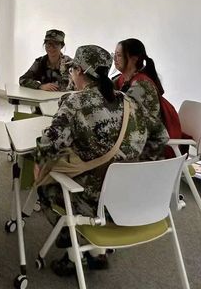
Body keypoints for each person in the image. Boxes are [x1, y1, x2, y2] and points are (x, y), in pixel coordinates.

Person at [34, 45, 168, 276]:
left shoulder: (75, 103)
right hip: (131, 197)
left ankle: (73, 253)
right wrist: (138, 166)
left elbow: (49, 145)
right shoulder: (129, 102)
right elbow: (161, 136)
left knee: (46, 188)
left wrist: (38, 164)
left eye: (72, 70)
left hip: (97, 201)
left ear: (78, 71)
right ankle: (96, 252)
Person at [113, 38, 183, 156]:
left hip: (149, 147)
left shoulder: (141, 85)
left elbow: (122, 115)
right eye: (114, 54)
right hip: (137, 139)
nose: (114, 59)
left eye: (119, 55)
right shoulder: (123, 79)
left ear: (133, 59)